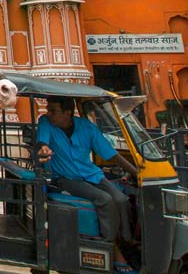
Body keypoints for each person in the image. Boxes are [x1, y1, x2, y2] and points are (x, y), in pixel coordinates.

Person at [36, 96, 138, 256]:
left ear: (67, 113)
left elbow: (110, 154)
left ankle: (126, 238)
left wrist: (136, 172)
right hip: (66, 178)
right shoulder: (46, 122)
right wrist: (43, 149)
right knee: (104, 199)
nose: (49, 113)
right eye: (49, 110)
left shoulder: (87, 128)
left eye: (53, 111)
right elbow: (42, 143)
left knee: (121, 199)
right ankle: (111, 246)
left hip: (91, 174)